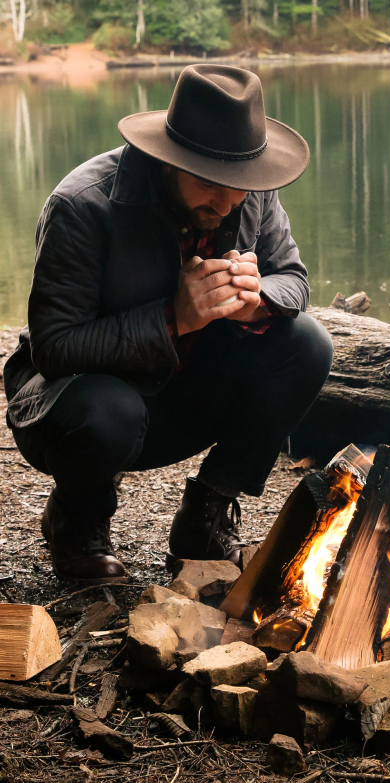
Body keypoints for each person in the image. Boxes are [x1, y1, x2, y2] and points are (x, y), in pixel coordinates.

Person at [3, 65, 334, 584]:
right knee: (107, 411)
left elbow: (292, 279)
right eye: (209, 183)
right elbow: (55, 347)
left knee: (307, 342)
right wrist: (173, 319)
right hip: (74, 407)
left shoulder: (251, 187)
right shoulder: (84, 204)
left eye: (239, 187)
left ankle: (206, 514)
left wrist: (256, 300)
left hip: (181, 396)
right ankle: (78, 522)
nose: (228, 202)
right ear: (167, 160)